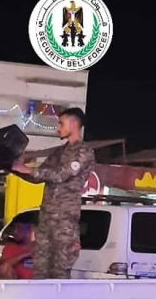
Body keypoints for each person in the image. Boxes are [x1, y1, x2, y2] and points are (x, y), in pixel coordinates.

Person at [12, 107, 95, 279]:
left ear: (74, 124)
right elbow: (38, 177)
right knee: (40, 271)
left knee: (59, 274)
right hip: (46, 221)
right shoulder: (58, 153)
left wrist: (27, 169)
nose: (57, 128)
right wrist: (14, 169)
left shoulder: (83, 151)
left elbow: (61, 174)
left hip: (64, 222)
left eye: (61, 123)